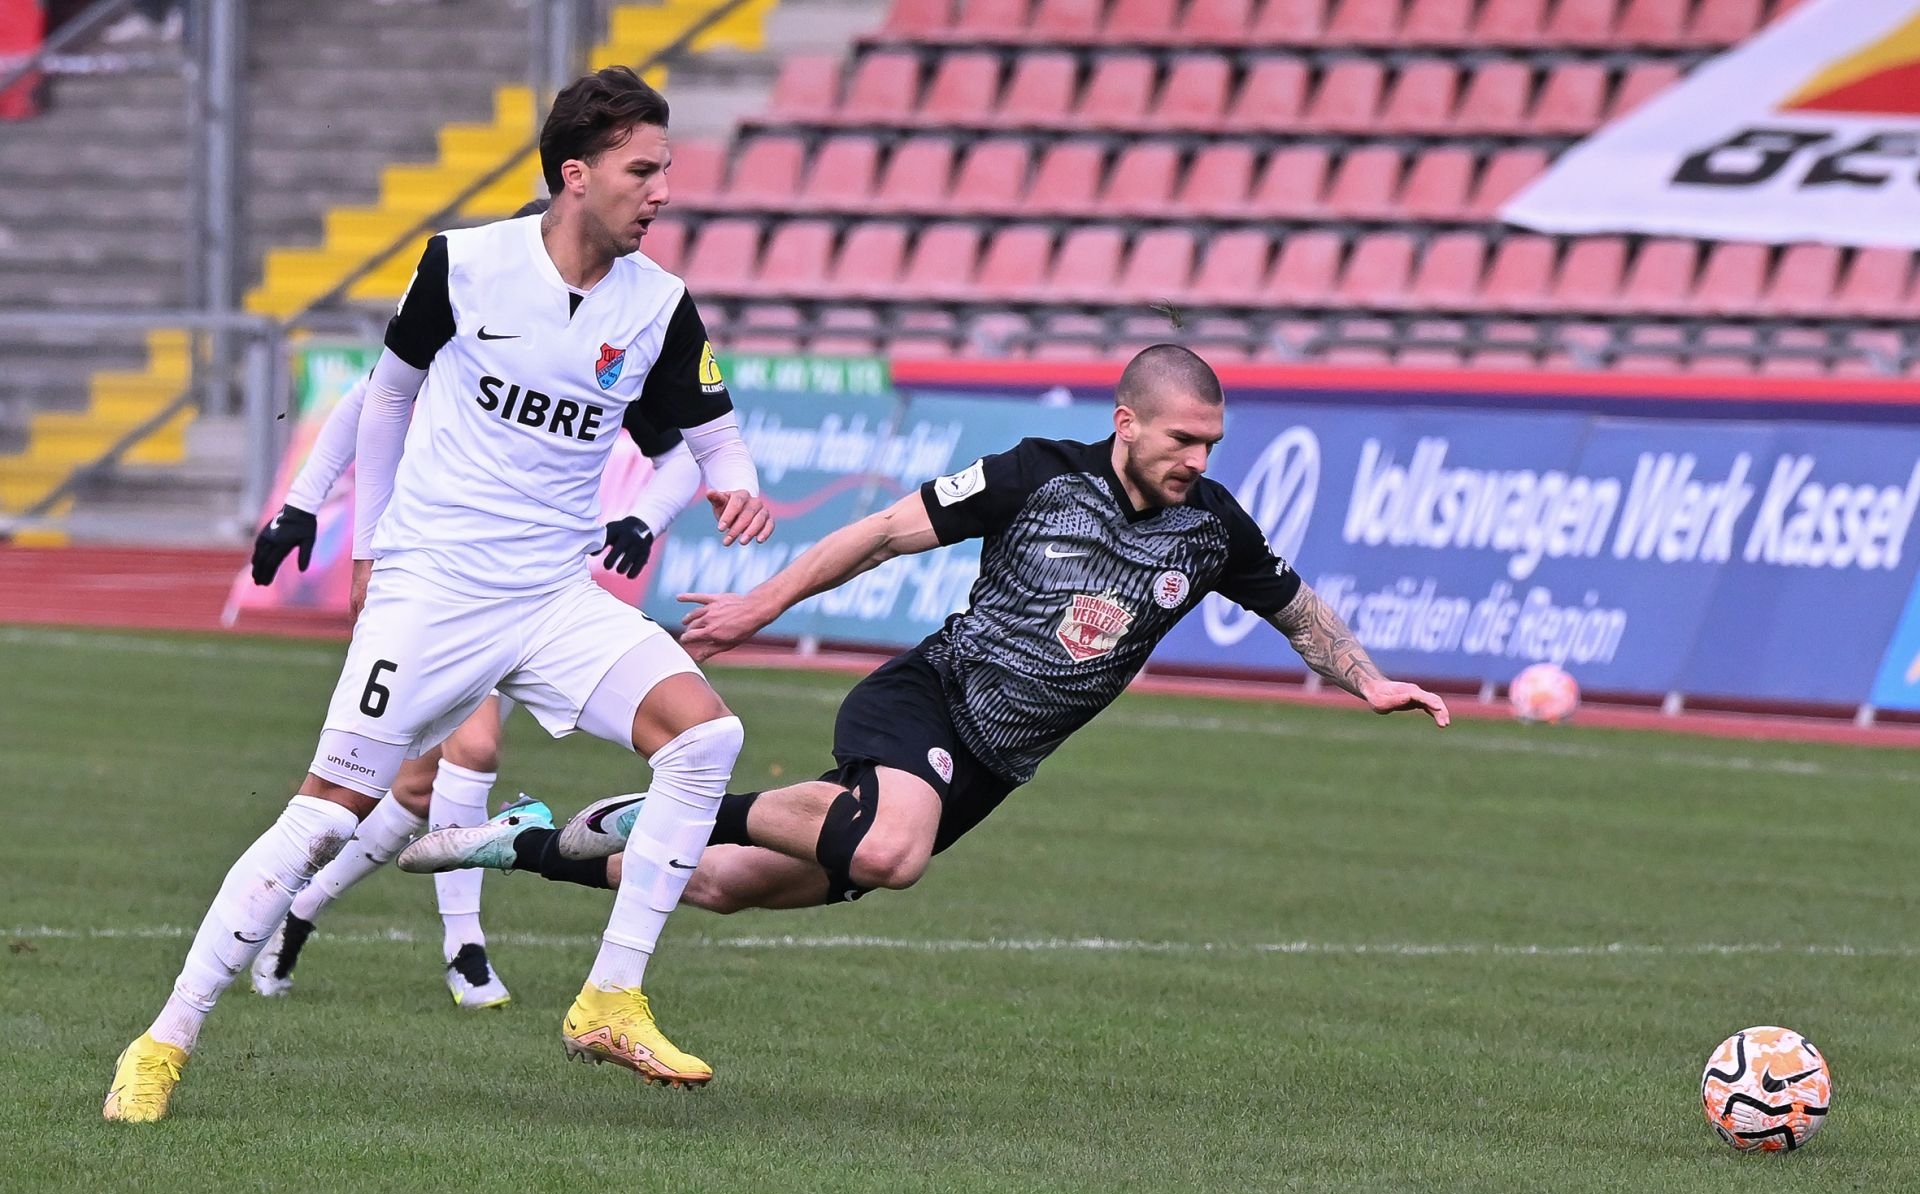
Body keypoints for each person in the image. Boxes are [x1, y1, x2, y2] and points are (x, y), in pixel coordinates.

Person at [103, 66, 770, 1123]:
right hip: (437, 586)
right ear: (576, 174)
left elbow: (711, 430)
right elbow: (388, 397)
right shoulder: (464, 264)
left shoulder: (659, 305)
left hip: (553, 594)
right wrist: (365, 547)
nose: (662, 191)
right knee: (321, 816)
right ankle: (163, 1040)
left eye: (667, 172)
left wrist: (733, 483)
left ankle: (610, 995)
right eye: (644, 171)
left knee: (704, 739)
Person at [399, 345, 1449, 931]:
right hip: (931, 701)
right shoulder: (1037, 473)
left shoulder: (1210, 528)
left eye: (1211, 442)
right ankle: (666, 806)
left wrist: (1368, 679)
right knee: (892, 852)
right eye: (1184, 437)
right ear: (1127, 421)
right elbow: (885, 532)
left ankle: (527, 841)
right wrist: (764, 605)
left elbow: (1298, 610)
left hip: (992, 767)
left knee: (711, 884)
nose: (1198, 457)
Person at [245, 356, 704, 1008]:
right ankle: (466, 952)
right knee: (474, 751)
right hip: (439, 587)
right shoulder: (479, 316)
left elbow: (682, 455)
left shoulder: (599, 345)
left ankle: (300, 910)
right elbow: (363, 401)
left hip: (539, 592)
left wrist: (642, 520)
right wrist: (302, 507)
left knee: (413, 789)